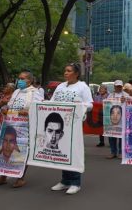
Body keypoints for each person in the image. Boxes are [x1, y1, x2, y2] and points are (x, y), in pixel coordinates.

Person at [0, 70, 43, 188]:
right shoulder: (17, 91)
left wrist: (28, 111)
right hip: (10, 125)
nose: (20, 81)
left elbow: (39, 108)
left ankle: (20, 178)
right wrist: (5, 109)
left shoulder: (35, 92)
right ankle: (2, 177)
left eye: (23, 79)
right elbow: (10, 105)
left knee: (22, 151)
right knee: (4, 150)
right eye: (19, 78)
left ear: (30, 80)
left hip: (25, 128)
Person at [50, 63, 93, 195]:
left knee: (73, 152)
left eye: (68, 71)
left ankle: (75, 182)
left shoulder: (83, 87)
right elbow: (52, 102)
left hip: (73, 124)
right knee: (62, 152)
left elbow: (90, 105)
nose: (65, 73)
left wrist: (78, 105)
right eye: (65, 70)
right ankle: (65, 181)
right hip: (59, 123)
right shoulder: (60, 86)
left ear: (76, 74)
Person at [106, 80, 129, 159]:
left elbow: (129, 104)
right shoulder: (110, 95)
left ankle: (121, 152)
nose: (118, 88)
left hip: (122, 118)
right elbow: (107, 105)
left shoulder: (126, 95)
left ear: (122, 87)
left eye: (120, 86)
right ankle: (113, 152)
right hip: (112, 118)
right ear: (114, 87)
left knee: (121, 136)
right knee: (112, 135)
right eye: (117, 86)